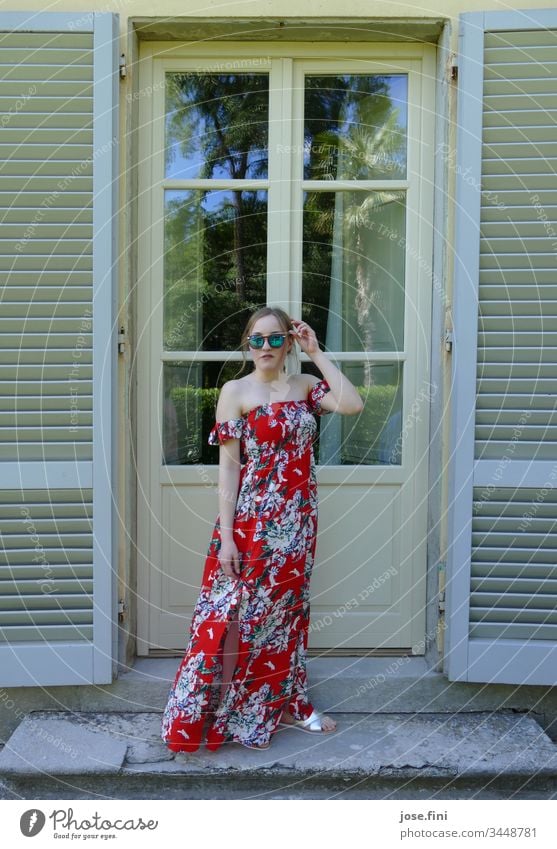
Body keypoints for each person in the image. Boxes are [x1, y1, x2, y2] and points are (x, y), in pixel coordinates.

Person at [160, 306, 363, 752]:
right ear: (247, 344)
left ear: (289, 342)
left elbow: (352, 404)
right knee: (233, 616)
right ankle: (223, 708)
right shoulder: (235, 391)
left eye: (276, 339)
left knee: (286, 617)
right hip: (251, 524)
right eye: (258, 339)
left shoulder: (307, 386)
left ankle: (290, 700)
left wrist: (317, 352)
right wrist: (228, 534)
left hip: (298, 524)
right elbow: (229, 470)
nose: (266, 347)